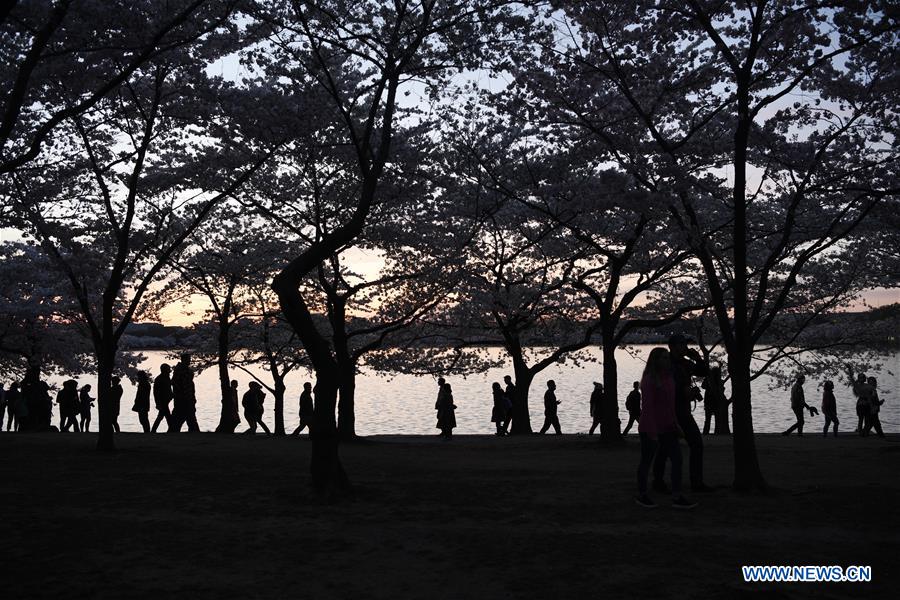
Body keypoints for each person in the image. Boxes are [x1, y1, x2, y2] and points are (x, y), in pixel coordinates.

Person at [635, 347, 697, 509]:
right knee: (646, 461)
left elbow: (670, 406)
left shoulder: (669, 379)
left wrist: (676, 425)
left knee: (677, 459)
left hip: (668, 427)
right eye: (663, 358)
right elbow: (648, 408)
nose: (666, 361)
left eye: (667, 358)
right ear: (655, 361)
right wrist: (652, 431)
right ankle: (642, 494)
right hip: (650, 427)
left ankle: (677, 496)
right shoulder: (649, 380)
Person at [653, 334, 711, 494]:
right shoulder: (666, 363)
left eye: (685, 344)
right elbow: (663, 388)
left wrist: (698, 358)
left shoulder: (685, 363)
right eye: (682, 344)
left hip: (684, 411)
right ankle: (658, 481)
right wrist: (683, 392)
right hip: (669, 411)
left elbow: (703, 372)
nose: (685, 347)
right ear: (672, 346)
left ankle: (696, 482)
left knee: (696, 444)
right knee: (665, 447)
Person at [171, 354, 199, 432]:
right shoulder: (180, 371)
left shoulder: (184, 370)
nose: (189, 361)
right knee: (183, 418)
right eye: (188, 359)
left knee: (187, 418)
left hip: (187, 397)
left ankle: (194, 432)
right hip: (183, 398)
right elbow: (178, 384)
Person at [845, 366, 871, 433]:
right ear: (859, 379)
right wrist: (850, 369)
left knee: (867, 419)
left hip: (867, 403)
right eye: (860, 377)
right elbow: (851, 378)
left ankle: (865, 431)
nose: (862, 378)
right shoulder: (857, 386)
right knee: (861, 419)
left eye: (863, 377)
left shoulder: (868, 385)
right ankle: (860, 431)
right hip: (861, 404)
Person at [152, 364, 173, 433]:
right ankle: (171, 429)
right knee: (166, 415)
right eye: (168, 369)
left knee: (162, 415)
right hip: (162, 400)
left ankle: (154, 430)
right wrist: (157, 402)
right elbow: (156, 392)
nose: (169, 371)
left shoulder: (165, 378)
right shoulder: (160, 379)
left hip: (166, 400)